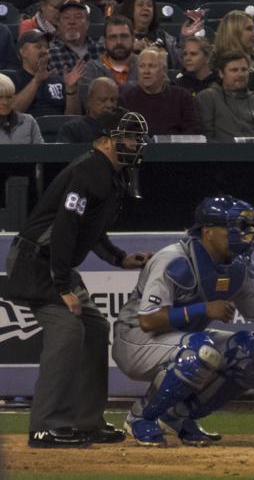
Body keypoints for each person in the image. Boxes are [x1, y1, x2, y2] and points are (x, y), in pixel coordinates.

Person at [4, 108, 152, 447]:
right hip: (36, 261)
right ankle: (45, 425)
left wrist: (119, 258)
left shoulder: (111, 174)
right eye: (128, 136)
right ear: (104, 141)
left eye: (137, 137)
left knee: (96, 329)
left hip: (54, 263)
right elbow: (65, 229)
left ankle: (86, 421)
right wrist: (61, 286)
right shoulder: (88, 170)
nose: (135, 143)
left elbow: (90, 229)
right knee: (69, 330)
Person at [112, 196, 254, 446]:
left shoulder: (238, 268)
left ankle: (177, 417)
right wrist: (203, 309)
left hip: (182, 341)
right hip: (135, 341)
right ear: (208, 232)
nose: (245, 235)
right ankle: (141, 416)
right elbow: (148, 321)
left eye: (248, 229)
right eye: (236, 228)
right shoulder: (174, 259)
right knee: (200, 351)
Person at [196, 50, 254, 141]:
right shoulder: (207, 98)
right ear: (221, 73)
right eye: (234, 70)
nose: (240, 74)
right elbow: (205, 137)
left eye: (244, 70)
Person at [119, 48, 201, 136]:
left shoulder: (183, 98)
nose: (146, 71)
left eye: (152, 66)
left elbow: (192, 134)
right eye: (142, 66)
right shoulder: (126, 99)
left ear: (164, 70)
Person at [117, 0, 204, 69]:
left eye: (149, 5)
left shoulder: (163, 37)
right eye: (140, 5)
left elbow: (180, 62)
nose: (146, 8)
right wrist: (130, 50)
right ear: (130, 9)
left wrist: (185, 37)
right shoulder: (119, 37)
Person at [13, 29, 84, 117]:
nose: (44, 51)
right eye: (38, 47)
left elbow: (73, 119)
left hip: (60, 129)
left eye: (47, 47)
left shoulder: (60, 80)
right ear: (23, 52)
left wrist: (71, 89)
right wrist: (36, 81)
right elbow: (12, 112)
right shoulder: (12, 80)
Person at [80, 15, 140, 104]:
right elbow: (88, 107)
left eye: (124, 36)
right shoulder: (91, 69)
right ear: (104, 41)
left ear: (133, 39)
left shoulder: (146, 65)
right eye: (113, 37)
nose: (119, 42)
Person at [215, 10, 254, 92]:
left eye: (253, 29)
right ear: (233, 32)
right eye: (249, 29)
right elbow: (221, 96)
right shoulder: (217, 61)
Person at [48, 0, 105, 75]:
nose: (71, 22)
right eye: (66, 17)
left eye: (78, 17)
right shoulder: (50, 53)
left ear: (87, 24)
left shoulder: (101, 49)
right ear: (58, 23)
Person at [58, 77, 119, 142]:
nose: (109, 105)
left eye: (113, 100)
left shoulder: (122, 128)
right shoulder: (72, 130)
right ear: (89, 101)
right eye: (103, 100)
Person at [0, 73, 43, 144]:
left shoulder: (28, 121)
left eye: (9, 97)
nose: (5, 102)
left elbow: (42, 152)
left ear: (14, 98)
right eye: (0, 97)